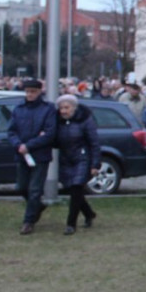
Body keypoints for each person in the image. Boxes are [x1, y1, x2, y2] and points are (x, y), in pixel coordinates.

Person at [8, 79, 57, 235]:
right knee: (21, 187)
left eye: (33, 91)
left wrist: (29, 145)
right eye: (28, 91)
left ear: (39, 92)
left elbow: (49, 133)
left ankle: (29, 221)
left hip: (39, 155)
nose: (30, 94)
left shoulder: (48, 109)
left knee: (35, 189)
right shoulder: (19, 109)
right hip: (22, 154)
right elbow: (11, 131)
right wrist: (18, 145)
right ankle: (37, 206)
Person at [53, 94, 101, 235]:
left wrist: (95, 164)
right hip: (66, 159)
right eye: (61, 108)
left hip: (82, 158)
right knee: (72, 190)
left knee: (76, 188)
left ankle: (70, 224)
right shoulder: (57, 121)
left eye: (66, 107)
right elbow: (55, 140)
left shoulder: (85, 120)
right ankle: (89, 213)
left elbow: (94, 143)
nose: (63, 111)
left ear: (74, 108)